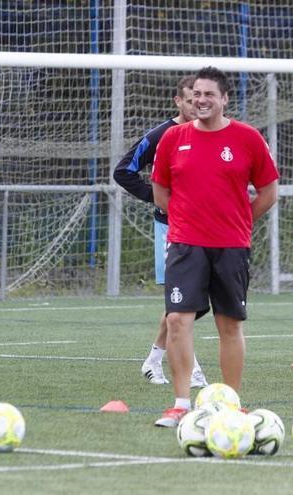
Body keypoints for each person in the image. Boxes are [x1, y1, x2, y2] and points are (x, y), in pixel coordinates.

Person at [150, 66, 279, 427]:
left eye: (209, 94)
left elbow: (269, 192)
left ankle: (231, 407)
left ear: (224, 99)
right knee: (177, 320)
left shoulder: (248, 138)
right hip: (185, 244)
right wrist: (182, 219)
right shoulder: (173, 138)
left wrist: (240, 220)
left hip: (231, 246)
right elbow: (160, 191)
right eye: (196, 94)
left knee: (230, 325)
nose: (201, 100)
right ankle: (180, 404)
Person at [113, 75, 208, 388]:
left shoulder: (209, 132)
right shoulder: (160, 135)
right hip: (171, 228)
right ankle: (192, 370)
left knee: (188, 301)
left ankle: (153, 360)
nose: (197, 104)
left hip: (206, 227)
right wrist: (159, 198)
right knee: (181, 300)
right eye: (190, 98)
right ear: (178, 101)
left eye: (200, 98)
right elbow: (123, 171)